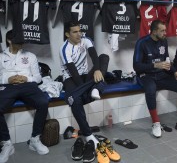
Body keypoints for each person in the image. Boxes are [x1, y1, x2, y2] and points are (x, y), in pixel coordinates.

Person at [60, 21, 110, 162]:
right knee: (75, 100)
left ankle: (95, 87)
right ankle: (88, 135)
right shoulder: (64, 49)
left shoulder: (86, 40)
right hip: (71, 78)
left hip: (86, 75)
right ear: (67, 34)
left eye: (79, 30)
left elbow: (94, 56)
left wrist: (97, 70)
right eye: (75, 32)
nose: (79, 34)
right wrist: (88, 86)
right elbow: (74, 73)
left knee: (103, 58)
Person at [0, 30, 49, 163]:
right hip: (8, 86)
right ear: (9, 41)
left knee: (43, 102)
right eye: (18, 41)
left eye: (22, 41)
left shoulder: (30, 56)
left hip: (27, 85)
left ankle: (35, 139)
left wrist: (25, 77)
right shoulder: (0, 57)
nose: (22, 44)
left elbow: (38, 78)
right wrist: (7, 79)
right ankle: (7, 144)